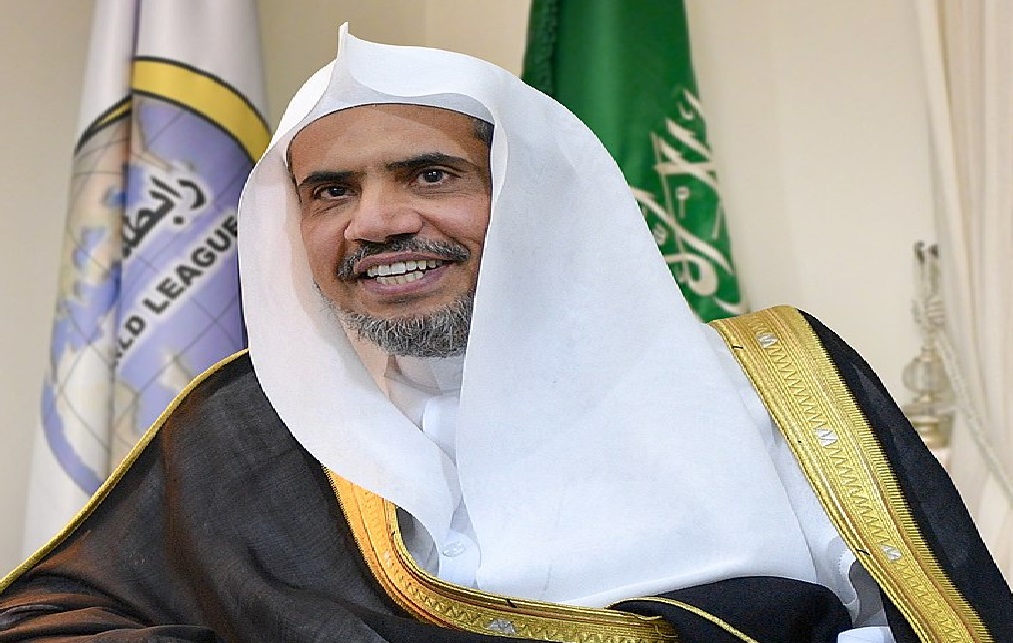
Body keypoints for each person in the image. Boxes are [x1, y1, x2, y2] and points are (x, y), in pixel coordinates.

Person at [1, 26, 1010, 643]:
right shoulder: (252, 426)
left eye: (430, 174)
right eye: (330, 191)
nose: (375, 221)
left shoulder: (776, 384)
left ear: (535, 198)